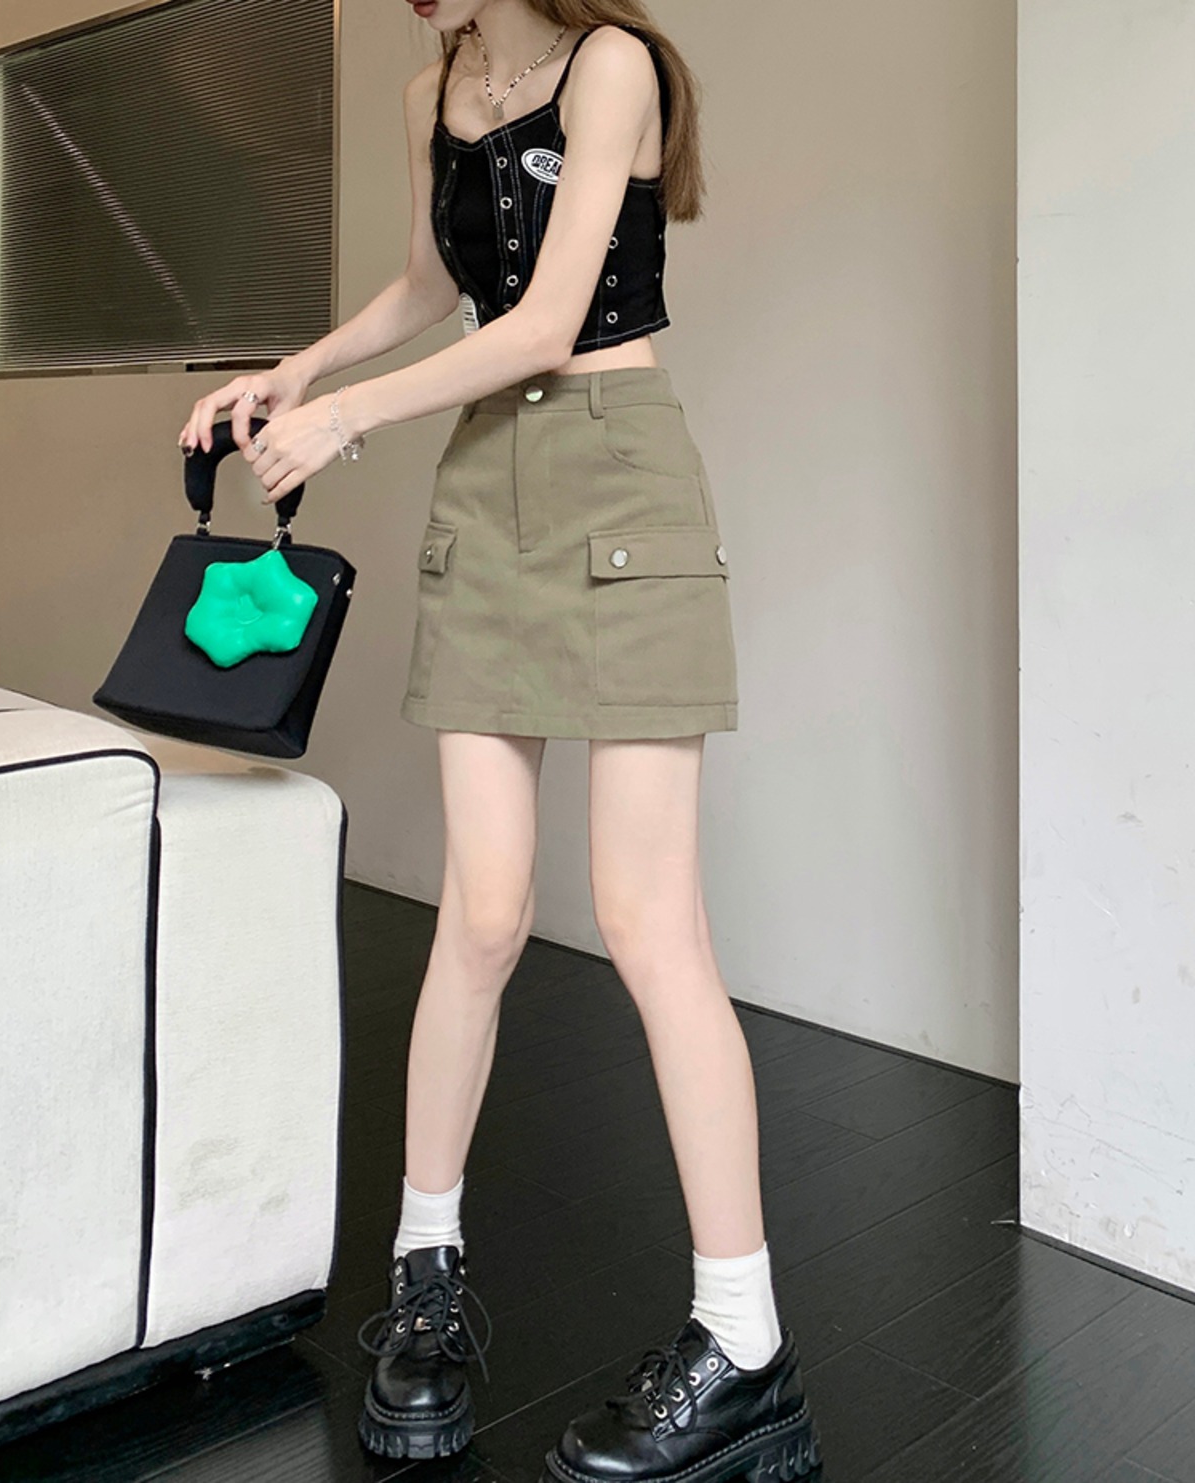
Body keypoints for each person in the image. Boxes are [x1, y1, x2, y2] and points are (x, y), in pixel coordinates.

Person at [178, 2, 822, 1480]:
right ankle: (426, 1276)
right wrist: (297, 372)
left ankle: (746, 1344)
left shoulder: (613, 66)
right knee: (479, 912)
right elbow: (435, 284)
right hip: (486, 488)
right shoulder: (432, 85)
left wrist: (346, 419)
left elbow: (544, 319)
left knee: (651, 922)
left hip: (619, 474)